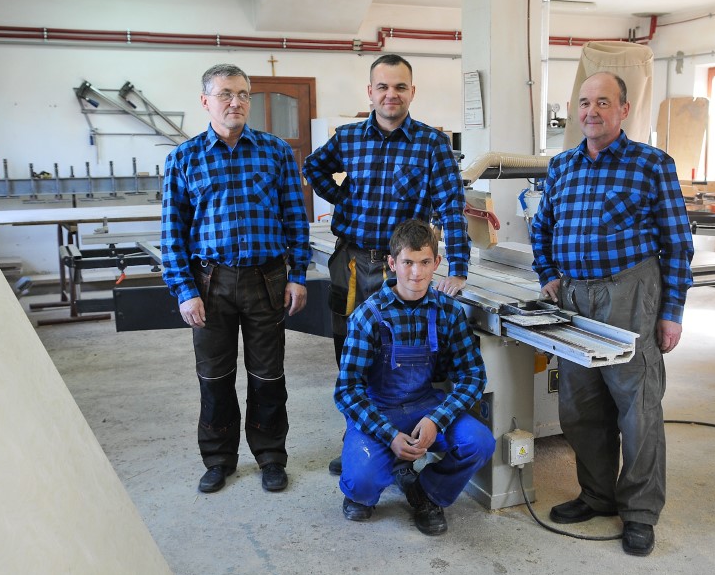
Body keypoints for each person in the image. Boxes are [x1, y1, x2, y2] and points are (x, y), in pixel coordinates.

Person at [529, 71, 694, 556]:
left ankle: (639, 512)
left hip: (630, 294)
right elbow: (543, 226)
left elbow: (677, 243)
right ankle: (598, 495)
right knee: (580, 407)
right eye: (584, 102)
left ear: (623, 110)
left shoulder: (651, 164)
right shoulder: (562, 166)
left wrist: (672, 311)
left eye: (603, 102)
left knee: (637, 408)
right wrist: (548, 273)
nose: (591, 112)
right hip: (575, 297)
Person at [303, 53, 470, 475]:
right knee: (351, 355)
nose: (390, 94)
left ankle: (409, 436)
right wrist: (345, 199)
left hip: (406, 267)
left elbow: (451, 206)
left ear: (412, 92)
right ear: (370, 92)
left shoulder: (432, 144)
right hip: (354, 264)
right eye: (383, 86)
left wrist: (459, 268)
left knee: (404, 357)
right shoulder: (348, 138)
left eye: (399, 87)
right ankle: (359, 438)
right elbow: (313, 167)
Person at [161, 63, 310, 495]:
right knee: (215, 377)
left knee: (268, 376)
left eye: (243, 94)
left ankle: (270, 457)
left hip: (267, 280)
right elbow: (172, 233)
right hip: (210, 284)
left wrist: (297, 276)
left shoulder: (276, 152)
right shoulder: (183, 159)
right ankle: (219, 459)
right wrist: (185, 291)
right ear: (205, 101)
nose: (236, 102)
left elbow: (295, 220)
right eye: (226, 93)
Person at [334, 219, 495, 536]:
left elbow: (473, 376)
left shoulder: (448, 312)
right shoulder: (369, 315)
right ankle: (388, 466)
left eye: (424, 263)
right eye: (407, 262)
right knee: (360, 487)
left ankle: (427, 492)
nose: (417, 273)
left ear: (437, 262)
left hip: (425, 404)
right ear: (393, 263)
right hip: (380, 408)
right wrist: (389, 434)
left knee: (480, 442)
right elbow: (348, 391)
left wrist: (438, 418)